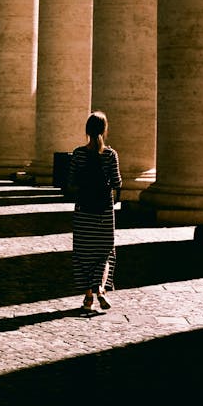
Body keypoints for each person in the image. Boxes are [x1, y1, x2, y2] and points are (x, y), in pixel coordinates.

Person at [69, 110, 122, 314]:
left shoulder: (79, 153)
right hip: (104, 211)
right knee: (104, 253)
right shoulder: (110, 155)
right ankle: (100, 289)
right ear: (104, 129)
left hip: (83, 210)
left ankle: (88, 295)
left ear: (87, 130)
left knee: (83, 254)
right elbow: (117, 182)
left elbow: (71, 182)